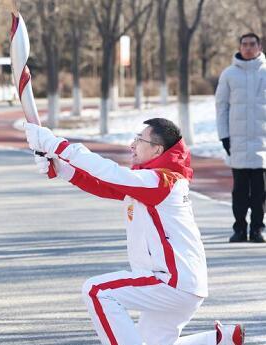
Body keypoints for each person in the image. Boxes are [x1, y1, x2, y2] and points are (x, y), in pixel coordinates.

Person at [24, 118, 244, 345]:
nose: (132, 145)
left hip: (171, 283)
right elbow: (104, 184)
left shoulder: (163, 181)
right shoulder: (149, 182)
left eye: (139, 140)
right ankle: (220, 340)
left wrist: (55, 145)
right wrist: (60, 168)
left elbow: (109, 172)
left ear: (157, 149)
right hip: (183, 285)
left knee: (97, 291)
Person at [215, 32, 266, 243]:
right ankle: (239, 229)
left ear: (259, 46)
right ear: (239, 46)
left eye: (252, 44)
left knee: (261, 192)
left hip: (263, 142)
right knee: (239, 192)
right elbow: (221, 107)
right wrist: (224, 137)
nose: (247, 48)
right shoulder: (229, 74)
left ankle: (257, 229)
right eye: (244, 44)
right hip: (237, 141)